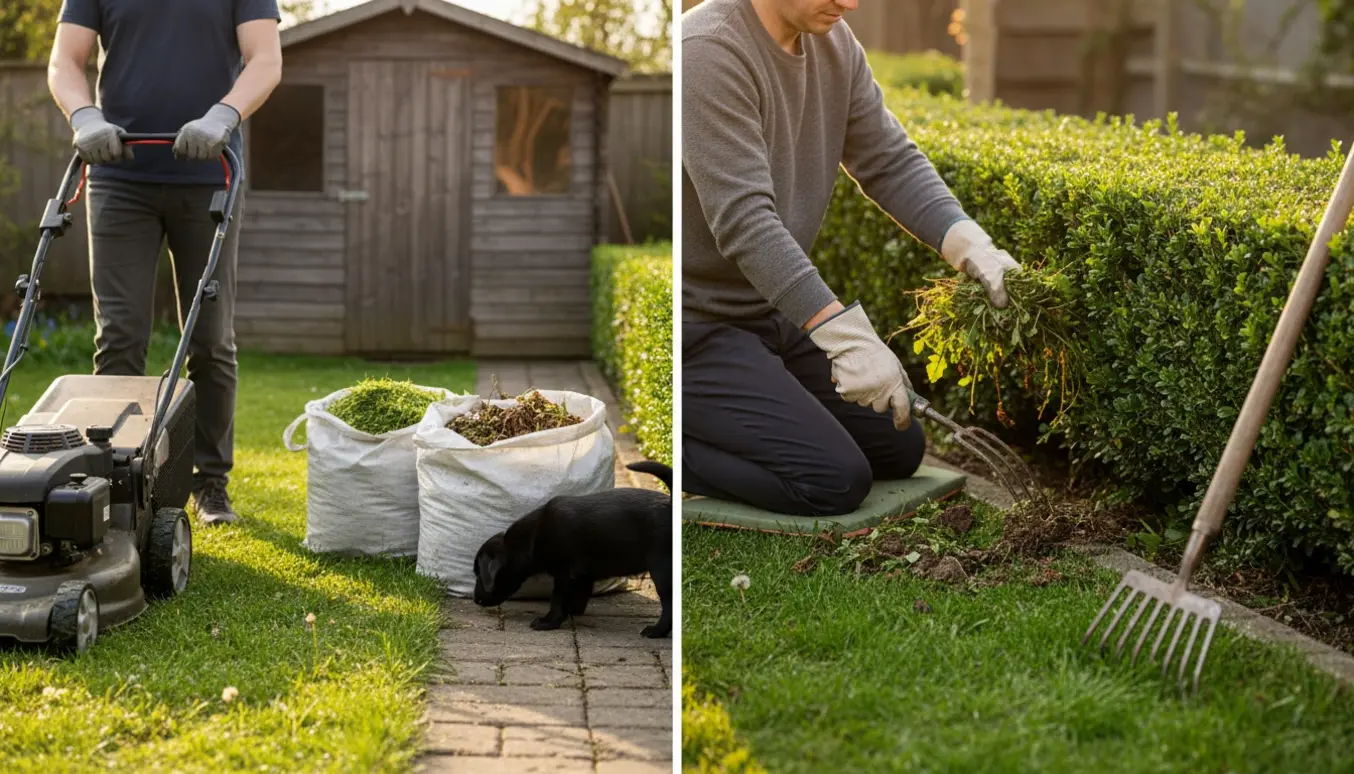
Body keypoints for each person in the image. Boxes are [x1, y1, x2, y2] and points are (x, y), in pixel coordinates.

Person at [681, 0, 1020, 517]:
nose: (850, 2)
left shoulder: (833, 42)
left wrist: (969, 243)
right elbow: (745, 223)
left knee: (897, 448)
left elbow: (887, 160)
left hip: (768, 314)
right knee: (833, 480)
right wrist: (844, 337)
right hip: (697, 328)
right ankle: (680, 445)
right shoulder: (707, 51)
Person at [47, 0, 283, 525]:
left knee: (209, 337)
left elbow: (265, 59)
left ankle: (210, 483)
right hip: (117, 174)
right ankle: (112, 480)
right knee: (120, 338)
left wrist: (223, 115)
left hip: (210, 175)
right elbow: (65, 59)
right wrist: (84, 116)